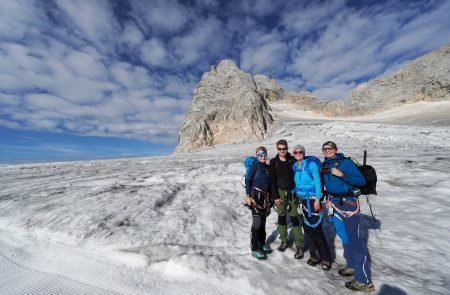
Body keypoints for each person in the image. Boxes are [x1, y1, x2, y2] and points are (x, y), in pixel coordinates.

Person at [320, 141, 375, 292]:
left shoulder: (345, 163)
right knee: (343, 235)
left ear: (336, 150)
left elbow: (361, 181)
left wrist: (343, 174)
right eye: (324, 149)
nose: (327, 151)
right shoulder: (324, 164)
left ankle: (364, 281)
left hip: (348, 203)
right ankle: (351, 265)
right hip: (333, 203)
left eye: (330, 148)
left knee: (354, 239)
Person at [291, 144, 332, 271]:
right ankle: (314, 256)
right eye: (296, 152)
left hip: (313, 199)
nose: (298, 154)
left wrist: (318, 199)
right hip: (301, 200)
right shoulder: (295, 166)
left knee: (317, 229)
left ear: (304, 152)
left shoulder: (311, 165)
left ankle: (326, 258)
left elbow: (317, 182)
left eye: (300, 152)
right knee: (307, 230)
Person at [269, 139, 304, 258]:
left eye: (284, 148)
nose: (282, 151)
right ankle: (284, 240)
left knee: (294, 218)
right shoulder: (273, 162)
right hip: (279, 193)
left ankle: (299, 244)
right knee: (282, 217)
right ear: (277, 149)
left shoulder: (292, 160)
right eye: (280, 149)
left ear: (287, 148)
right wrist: (275, 196)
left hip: (292, 193)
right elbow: (272, 180)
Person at [245, 146, 272, 260]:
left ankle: (261, 244)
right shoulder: (254, 166)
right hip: (255, 197)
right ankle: (254, 247)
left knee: (263, 222)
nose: (262, 157)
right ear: (257, 156)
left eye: (264, 155)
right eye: (260, 155)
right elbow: (248, 180)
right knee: (257, 223)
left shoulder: (267, 167)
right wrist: (248, 196)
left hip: (265, 199)